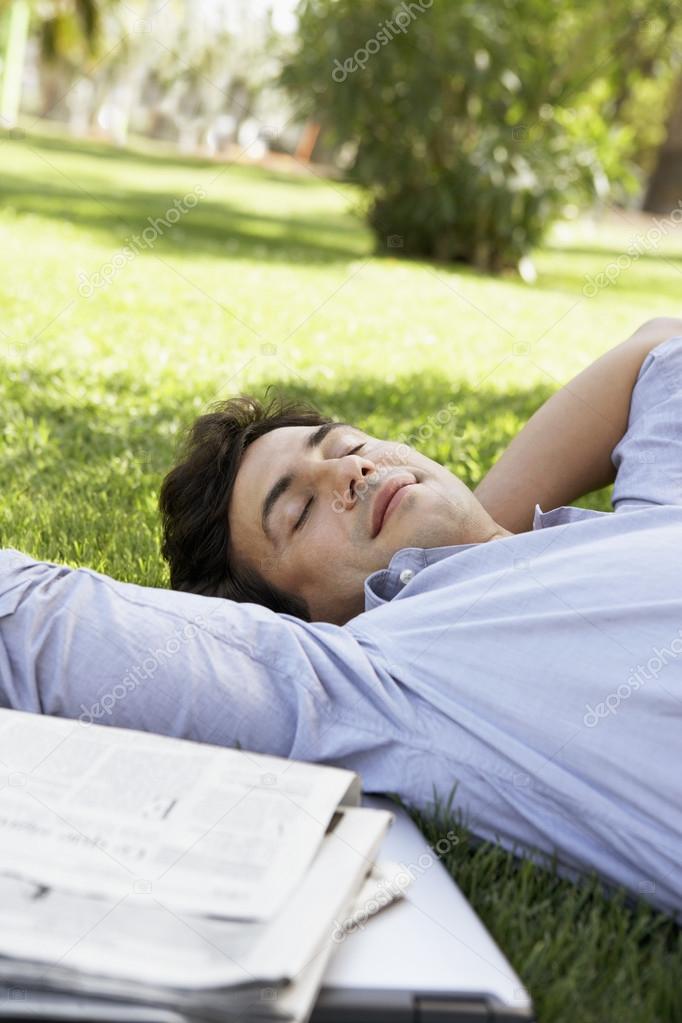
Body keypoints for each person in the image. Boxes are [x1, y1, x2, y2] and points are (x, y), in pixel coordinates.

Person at [1, 317, 681, 916]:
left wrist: (487, 538)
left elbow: (659, 345)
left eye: (347, 445)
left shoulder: (648, 516)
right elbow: (41, 617)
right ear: (303, 623)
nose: (351, 475)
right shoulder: (385, 673)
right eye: (297, 512)